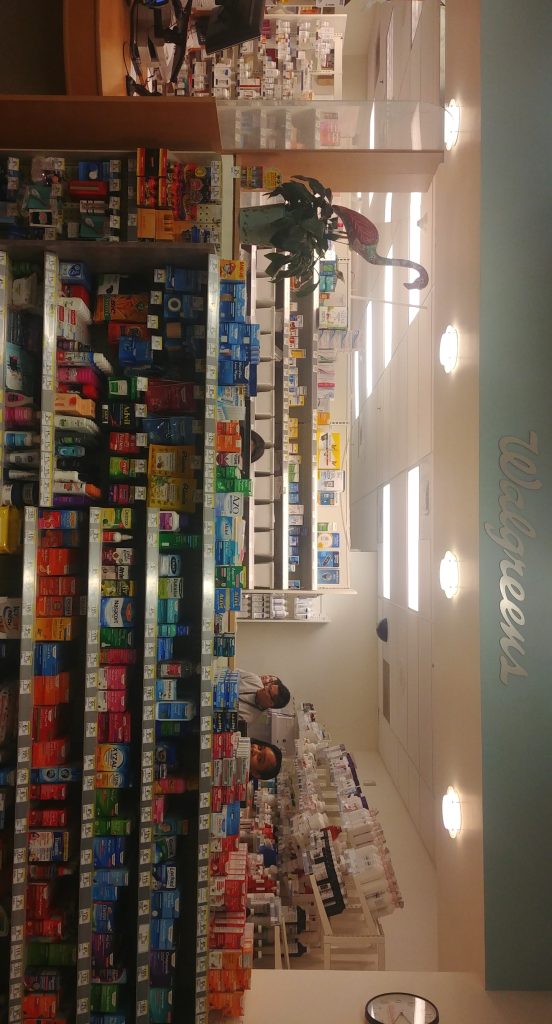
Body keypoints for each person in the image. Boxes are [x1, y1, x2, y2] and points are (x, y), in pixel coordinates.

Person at [237, 669, 290, 734]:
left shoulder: (247, 718)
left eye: (269, 691)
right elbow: (231, 670)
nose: (265, 687)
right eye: (269, 686)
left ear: (270, 703)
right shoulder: (254, 679)